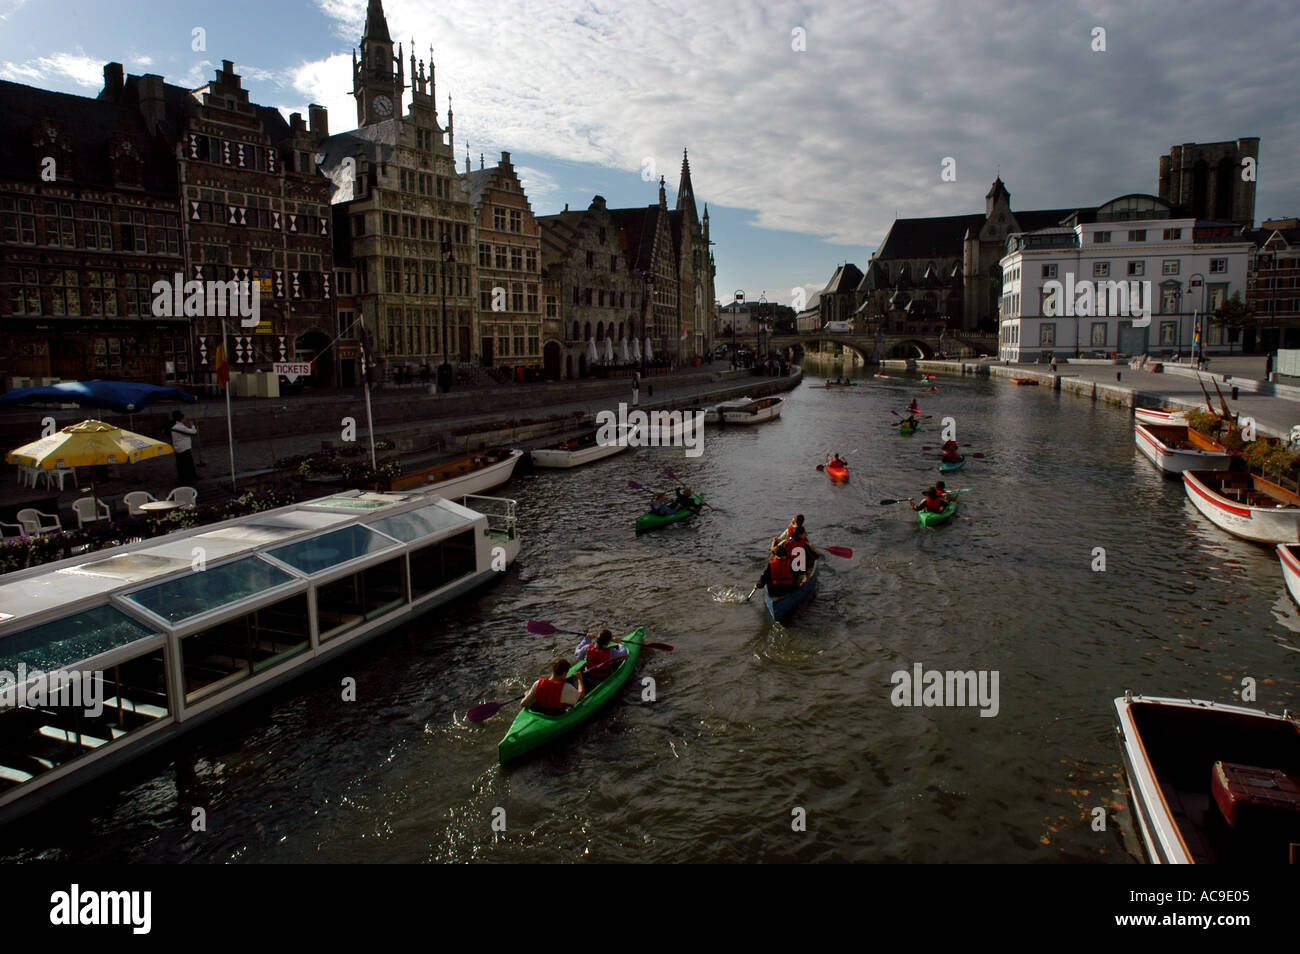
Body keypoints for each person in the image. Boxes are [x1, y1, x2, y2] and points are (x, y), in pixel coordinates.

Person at [170, 411, 198, 484]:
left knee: (181, 465)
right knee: (187, 464)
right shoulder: (180, 427)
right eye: (184, 418)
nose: (185, 419)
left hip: (177, 448)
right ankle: (188, 479)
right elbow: (193, 432)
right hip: (184, 449)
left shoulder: (175, 426)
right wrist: (192, 425)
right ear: (181, 419)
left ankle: (184, 478)